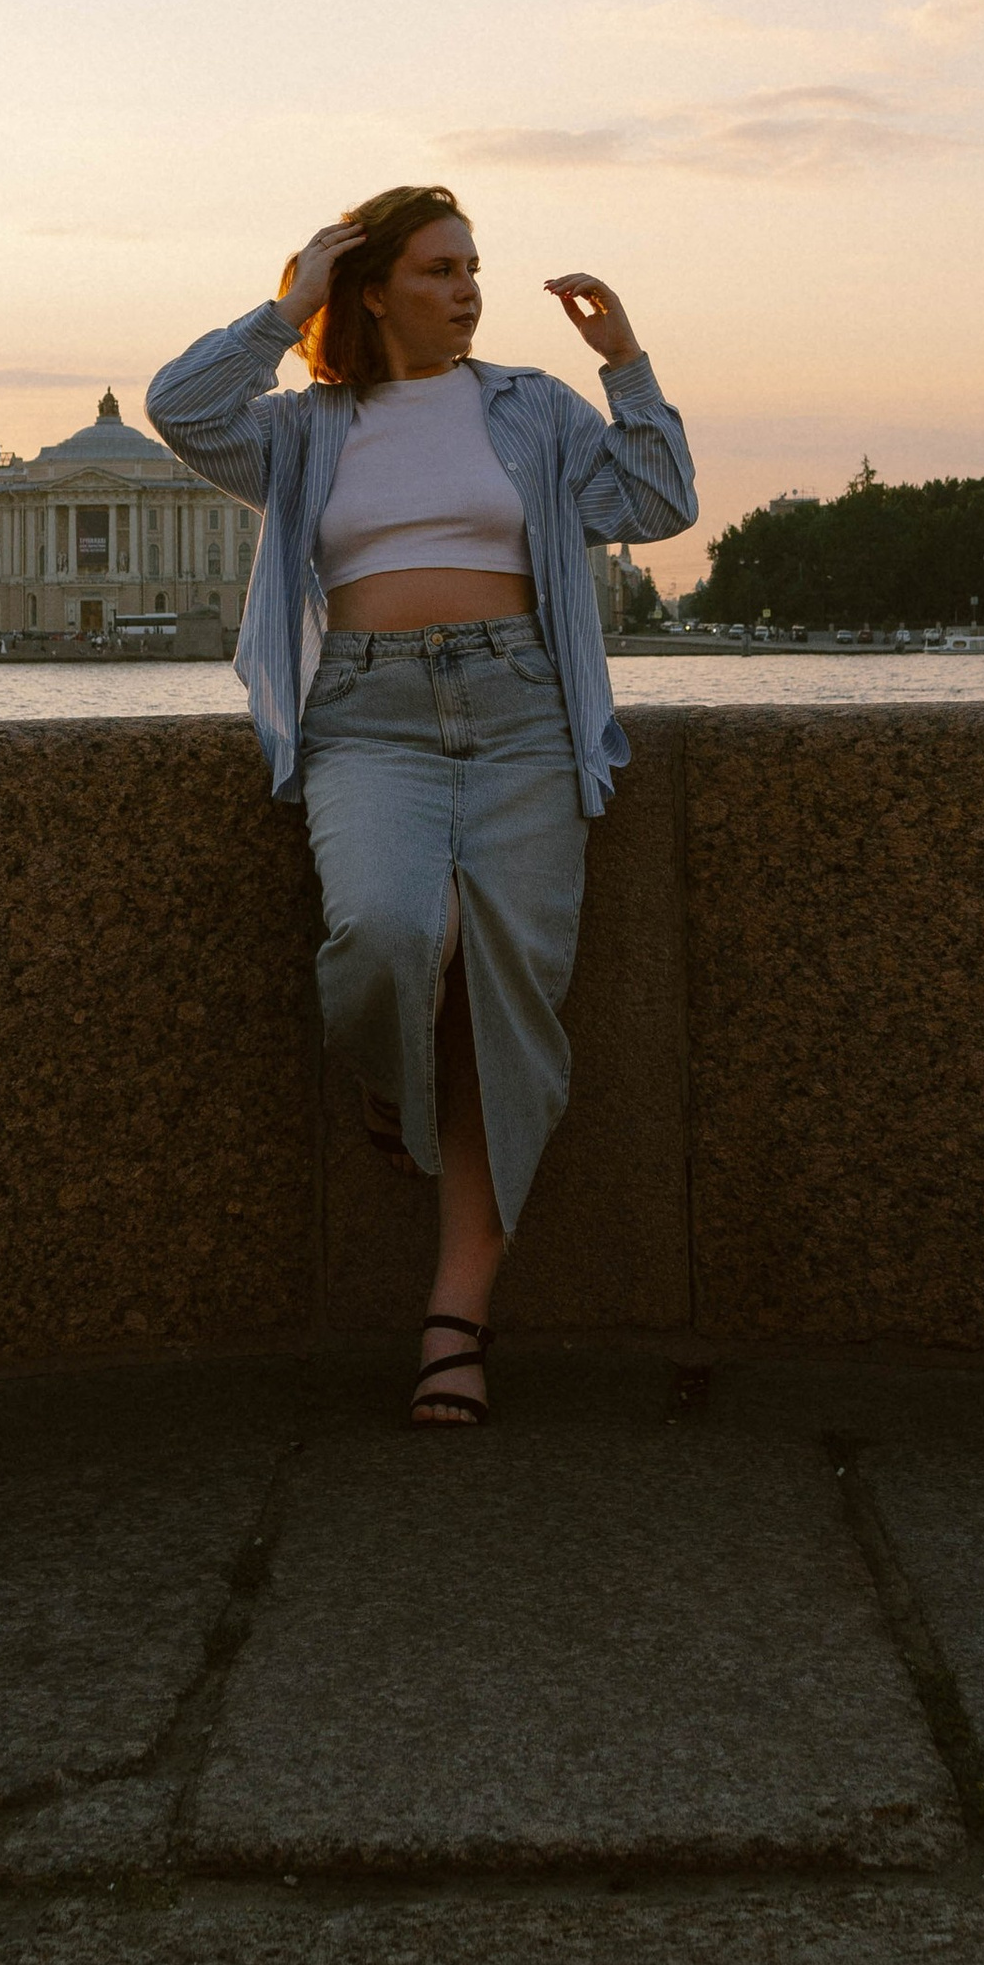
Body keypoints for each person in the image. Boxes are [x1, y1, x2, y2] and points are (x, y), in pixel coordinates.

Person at [147, 187, 696, 1424]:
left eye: (474, 269)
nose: (469, 290)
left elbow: (654, 506)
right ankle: (391, 1084)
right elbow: (180, 408)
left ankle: (457, 1319)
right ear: (375, 285)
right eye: (441, 269)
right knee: (389, 931)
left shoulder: (534, 408)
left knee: (508, 1022)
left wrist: (626, 368)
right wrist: (285, 306)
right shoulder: (300, 430)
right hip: (367, 718)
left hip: (521, 720)